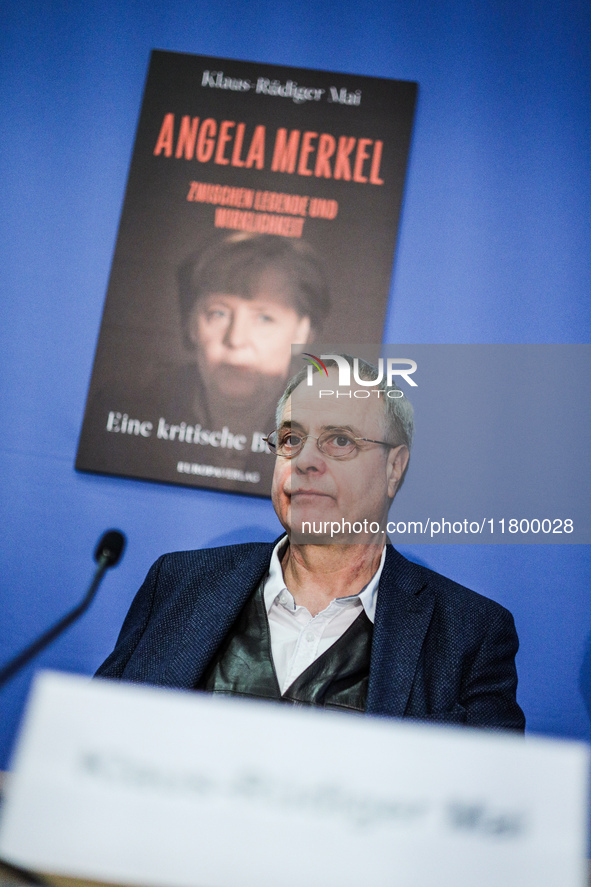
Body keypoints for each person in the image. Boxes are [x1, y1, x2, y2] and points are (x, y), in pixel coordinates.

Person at [96, 355, 525, 731]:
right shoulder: (178, 583)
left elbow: (486, 798)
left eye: (340, 441)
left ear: (395, 468)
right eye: (291, 439)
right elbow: (94, 738)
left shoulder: (470, 634)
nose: (304, 461)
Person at [77, 233, 329, 494]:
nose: (236, 339)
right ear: (191, 325)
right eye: (217, 313)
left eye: (264, 318)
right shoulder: (123, 409)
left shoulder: (335, 437)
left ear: (302, 333)